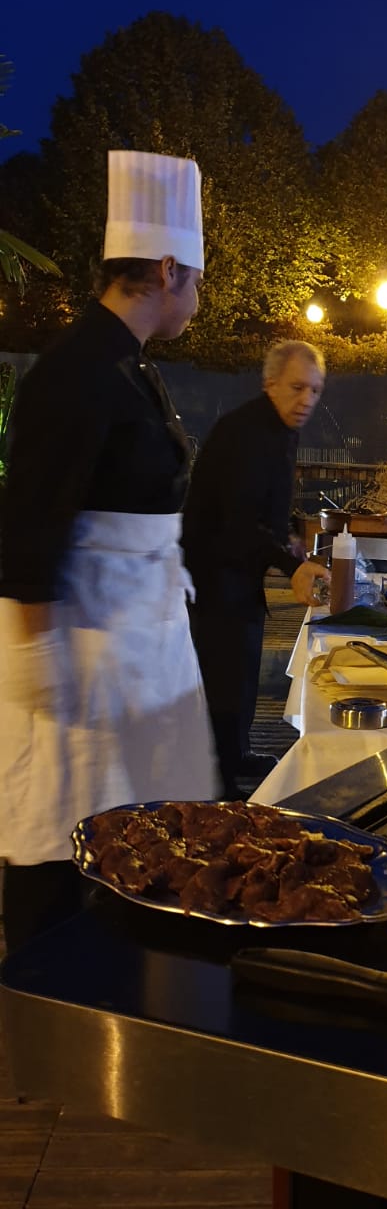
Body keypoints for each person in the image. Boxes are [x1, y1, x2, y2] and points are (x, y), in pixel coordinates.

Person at [0, 150, 217, 951]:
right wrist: (39, 665)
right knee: (60, 848)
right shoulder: (78, 371)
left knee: (134, 846)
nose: (198, 298)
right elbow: (28, 527)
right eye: (196, 279)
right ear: (165, 270)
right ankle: (36, 1004)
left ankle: (113, 994)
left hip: (132, 648)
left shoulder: (129, 367)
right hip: (80, 657)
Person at [182, 340, 329, 798]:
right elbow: (239, 520)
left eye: (315, 390)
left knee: (244, 671)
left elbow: (267, 509)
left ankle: (238, 752)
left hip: (241, 570)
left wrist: (290, 540)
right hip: (213, 572)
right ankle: (219, 787)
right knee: (223, 680)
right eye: (297, 387)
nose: (307, 399)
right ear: (270, 383)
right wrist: (289, 563)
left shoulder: (281, 428)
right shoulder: (245, 433)